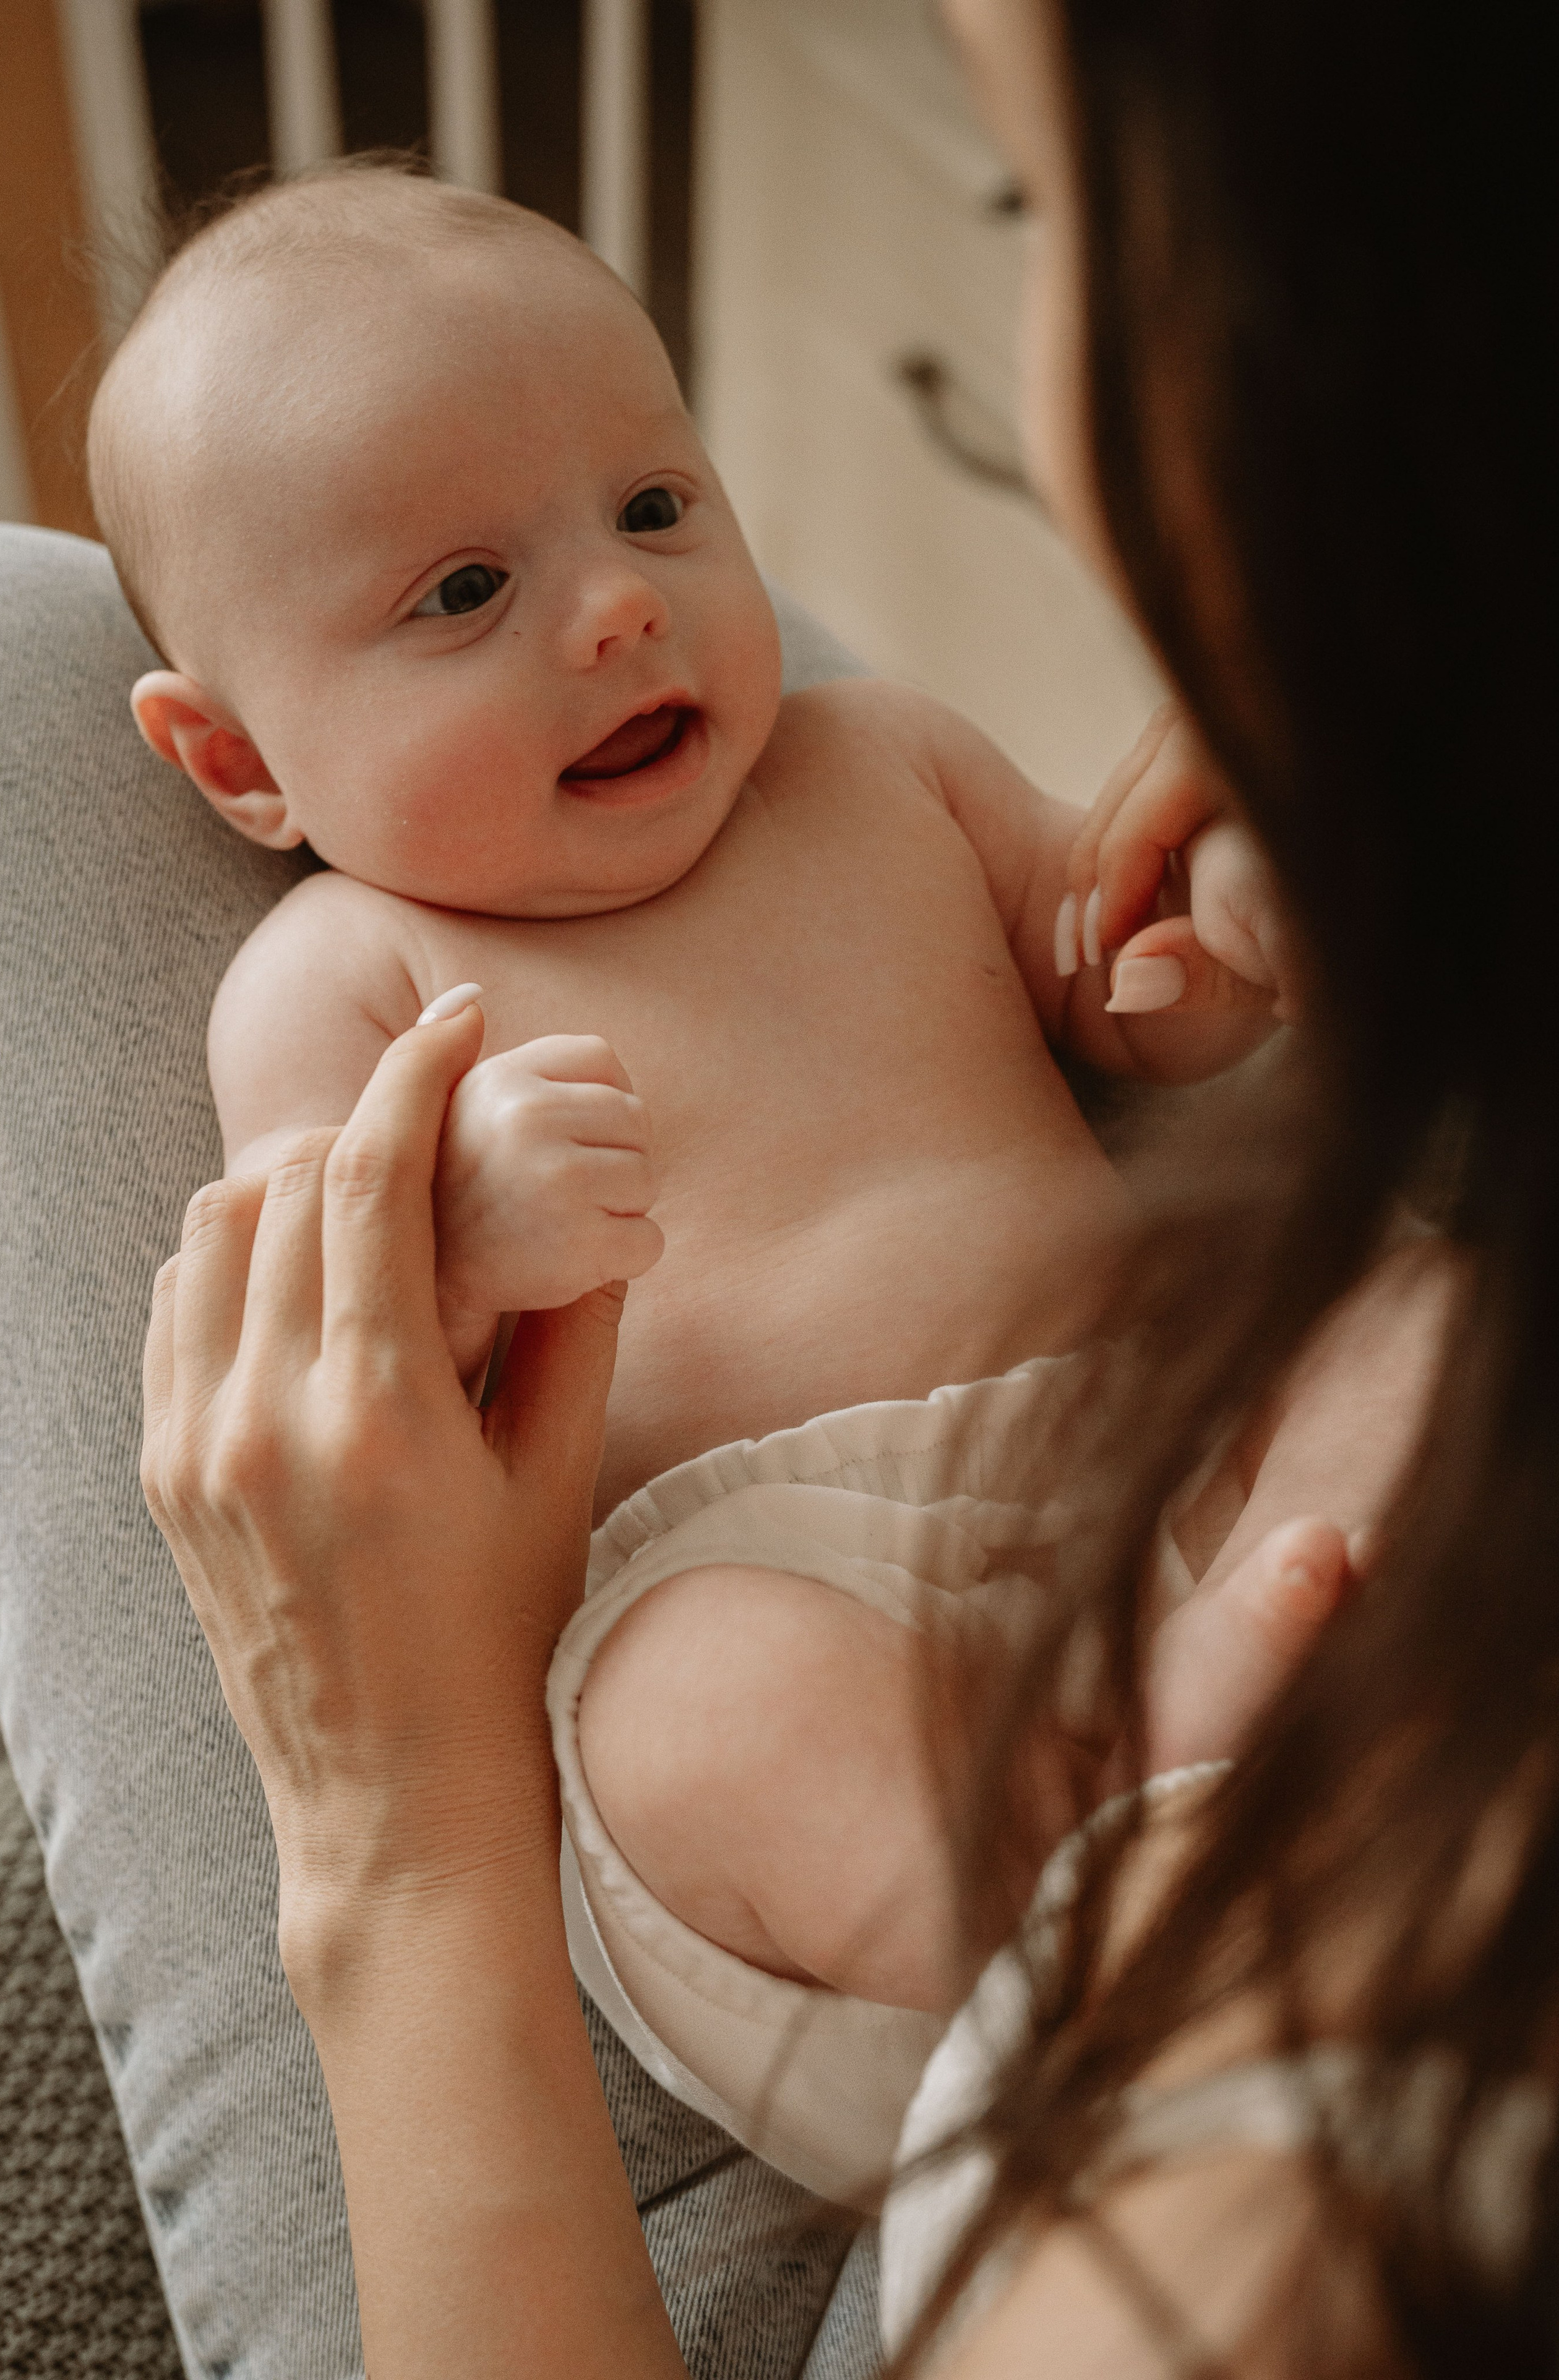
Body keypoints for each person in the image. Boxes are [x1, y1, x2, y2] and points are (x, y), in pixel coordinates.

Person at [136, 0, 1556, 2369]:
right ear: (238, 759)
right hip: (785, 1564)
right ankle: (1110, 1831)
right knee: (681, 1710)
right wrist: (467, 1224)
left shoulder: (879, 758)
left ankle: (1212, 1754)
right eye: (462, 594)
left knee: (1415, 1317)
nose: (619, 608)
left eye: (659, 509)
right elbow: (346, 1354)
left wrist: (1195, 961)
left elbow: (1116, 995)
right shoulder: (337, 973)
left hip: (1167, 1432)